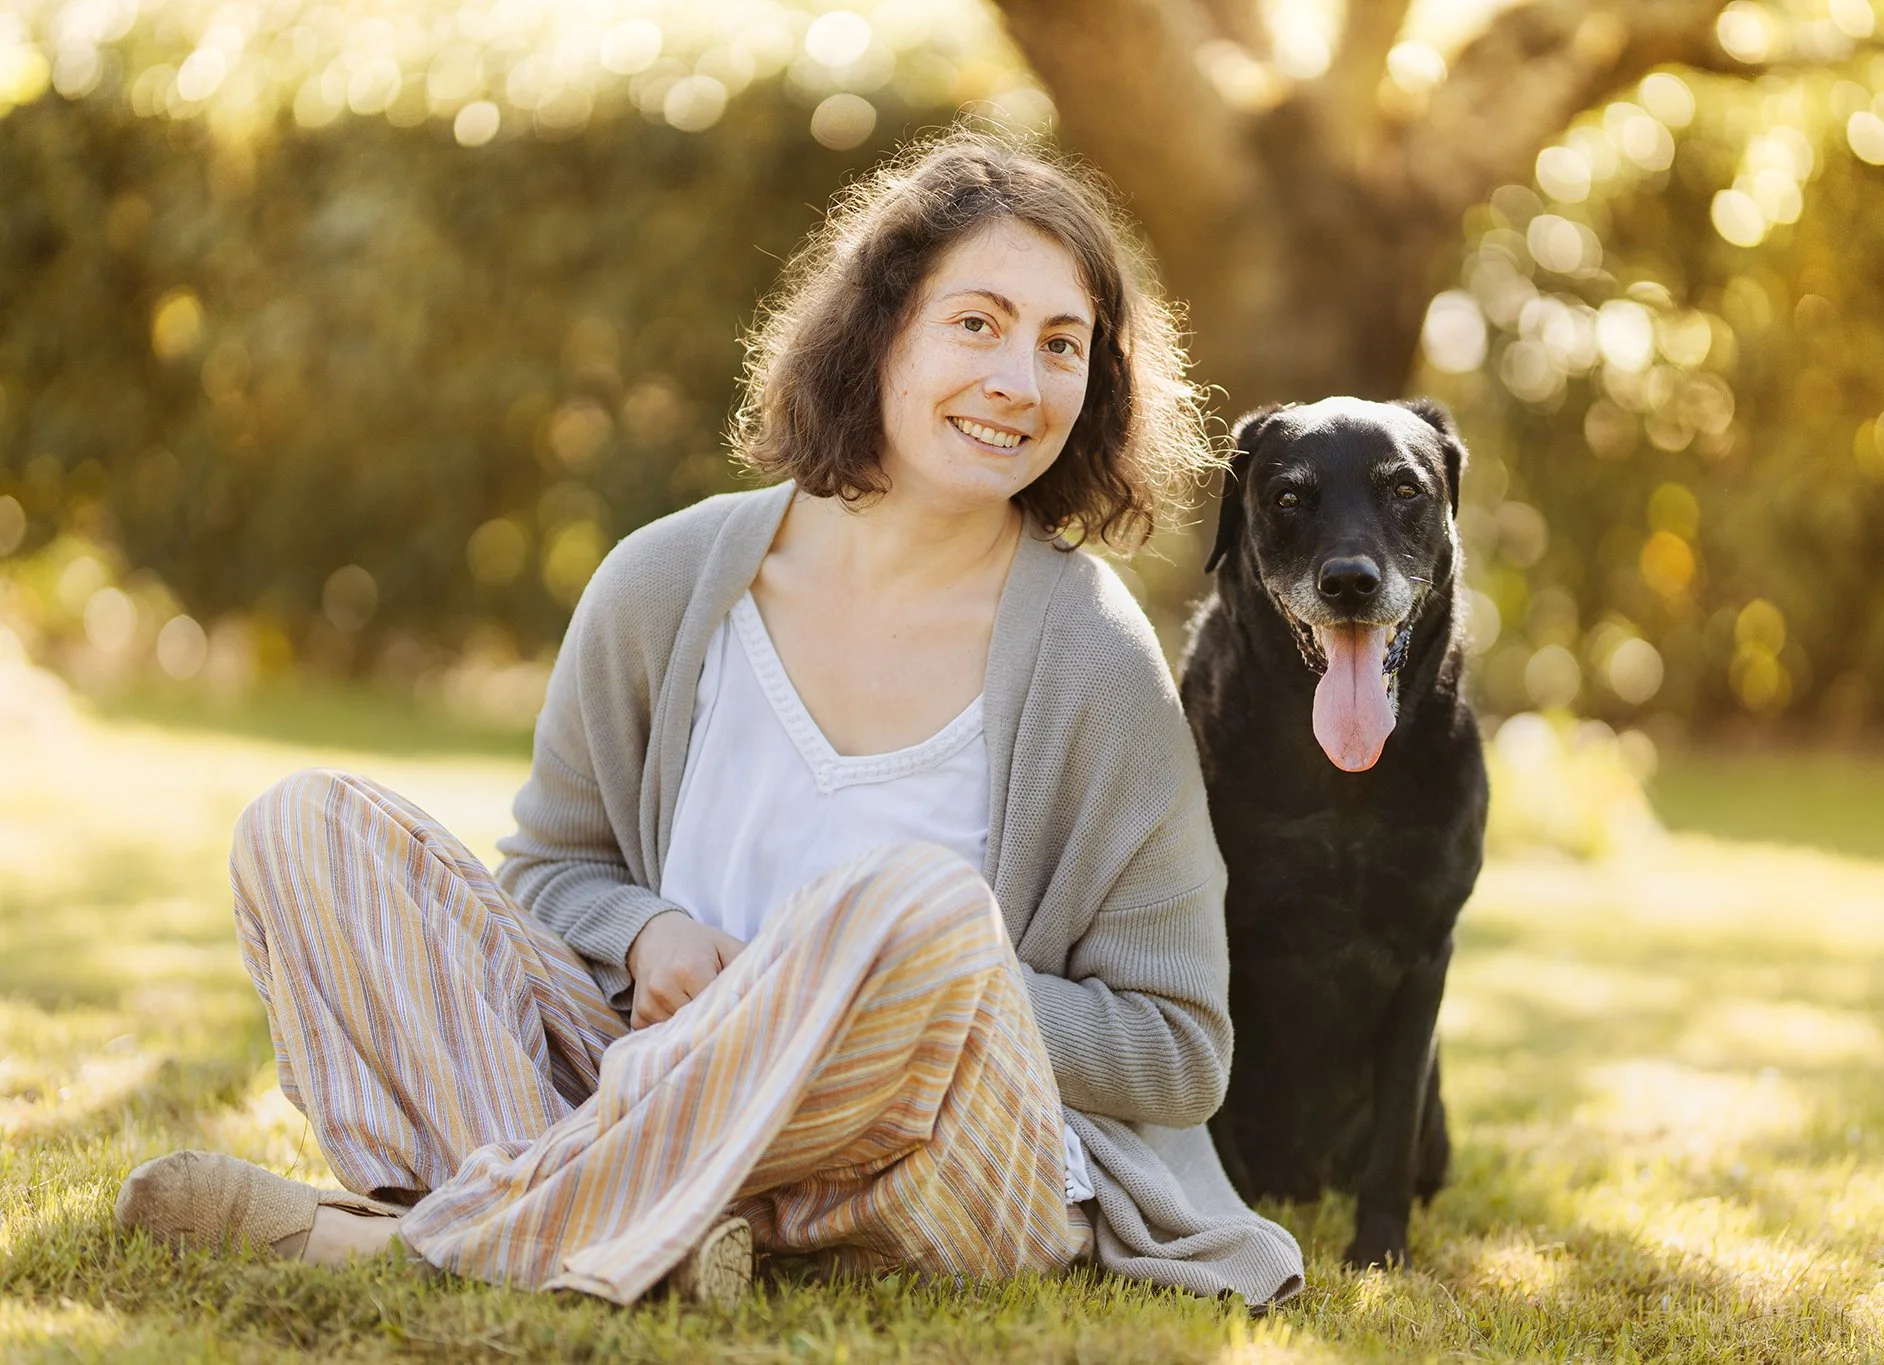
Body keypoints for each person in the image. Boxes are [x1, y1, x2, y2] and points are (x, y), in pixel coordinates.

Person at [114, 129, 1305, 1309]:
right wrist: (643, 938)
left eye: (1063, 345)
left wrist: (902, 990)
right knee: (305, 826)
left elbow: (1177, 1045)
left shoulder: (1091, 655)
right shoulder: (666, 582)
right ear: (877, 331)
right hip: (635, 1081)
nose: (1019, 381)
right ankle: (667, 1236)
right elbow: (553, 874)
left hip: (926, 1167)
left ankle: (437, 1238)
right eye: (976, 323)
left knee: (918, 910)